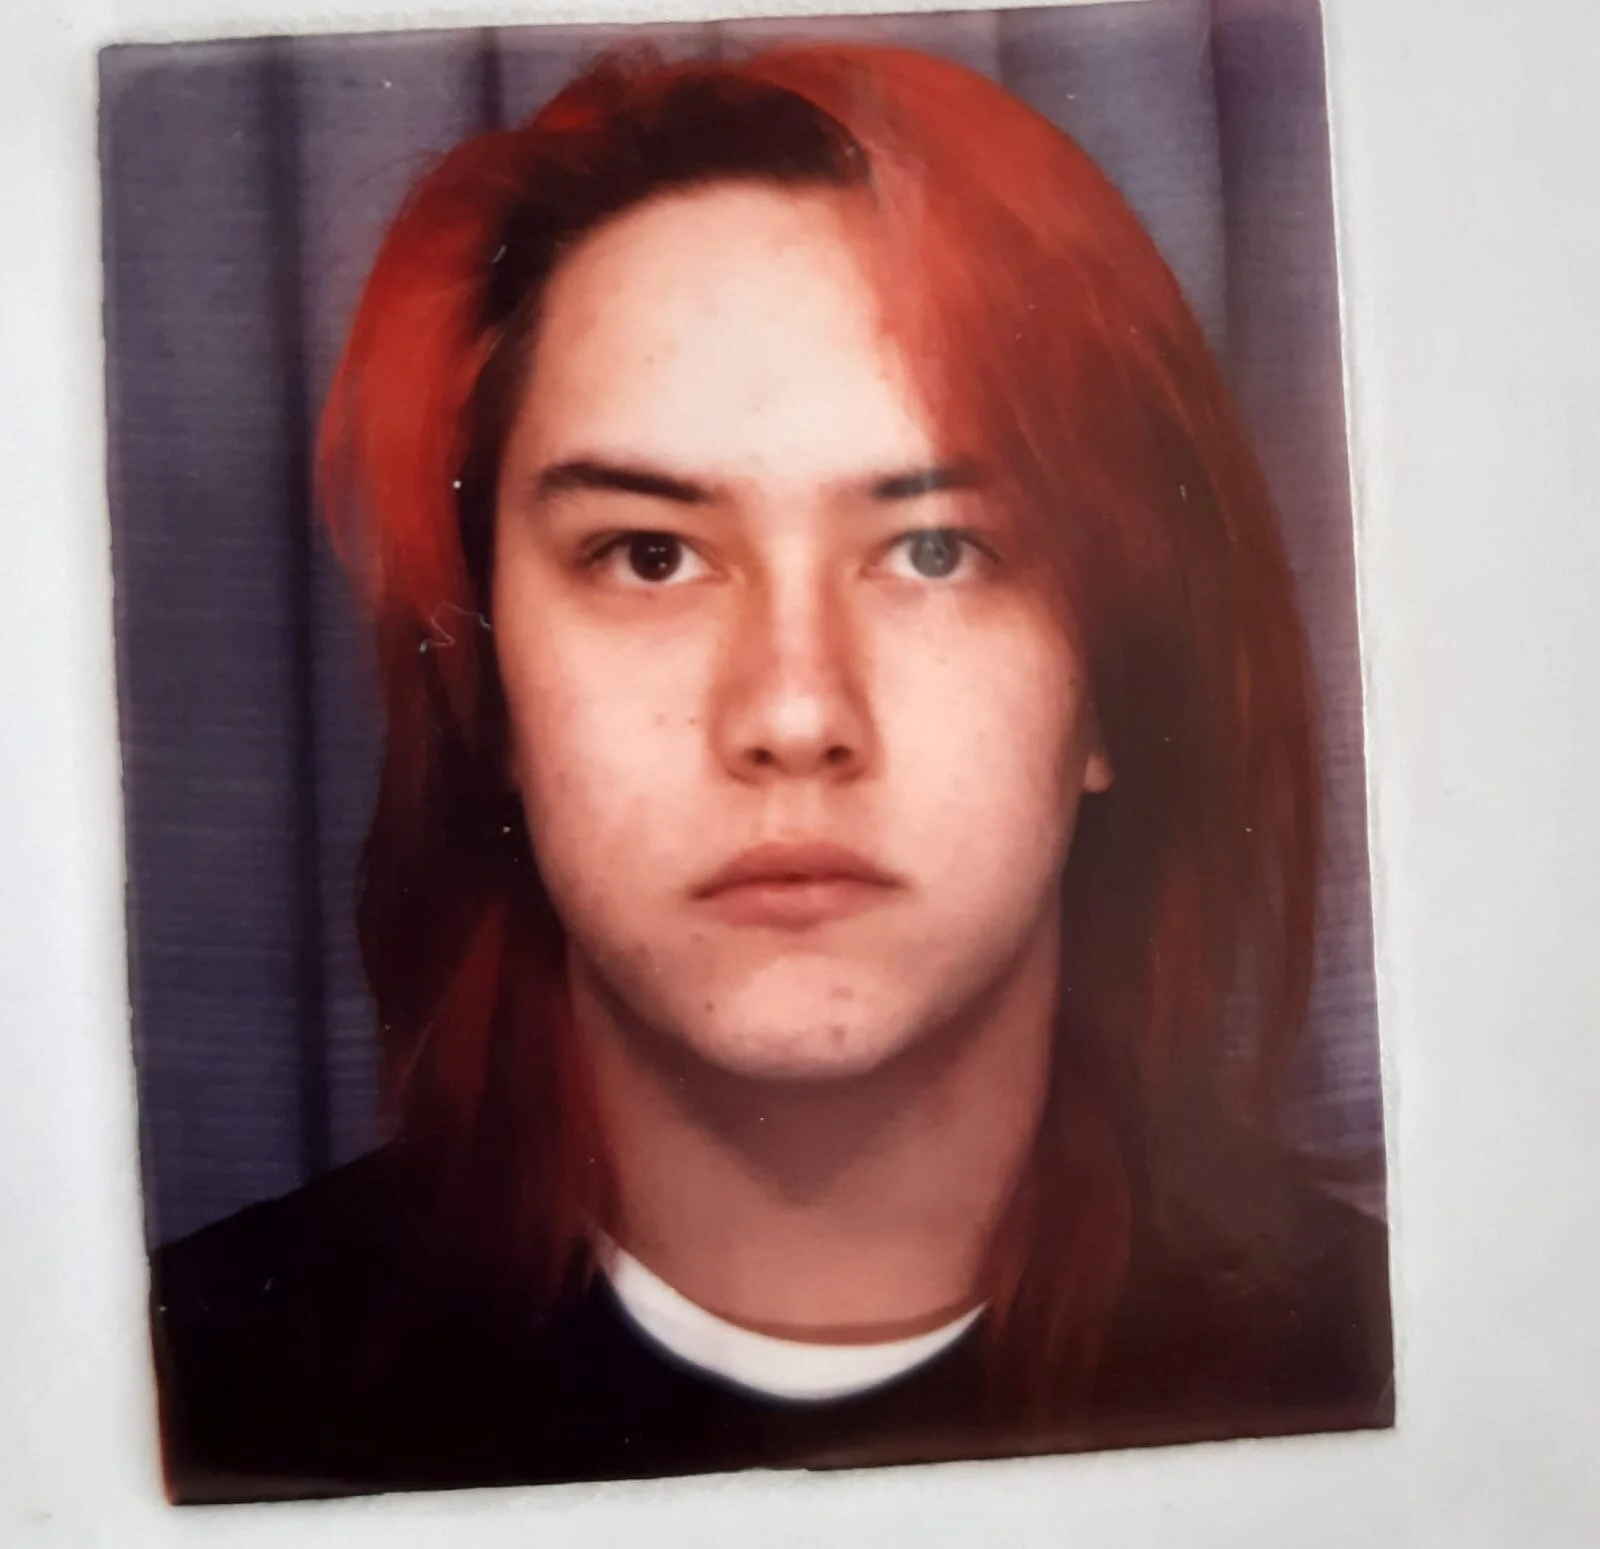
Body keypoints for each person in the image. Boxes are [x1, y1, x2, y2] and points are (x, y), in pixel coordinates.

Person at [151, 42, 1393, 1503]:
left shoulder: (1387, 1366)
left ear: (1111, 680)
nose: (796, 715)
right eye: (649, 555)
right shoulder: (178, 1400)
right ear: (485, 684)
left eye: (937, 550)